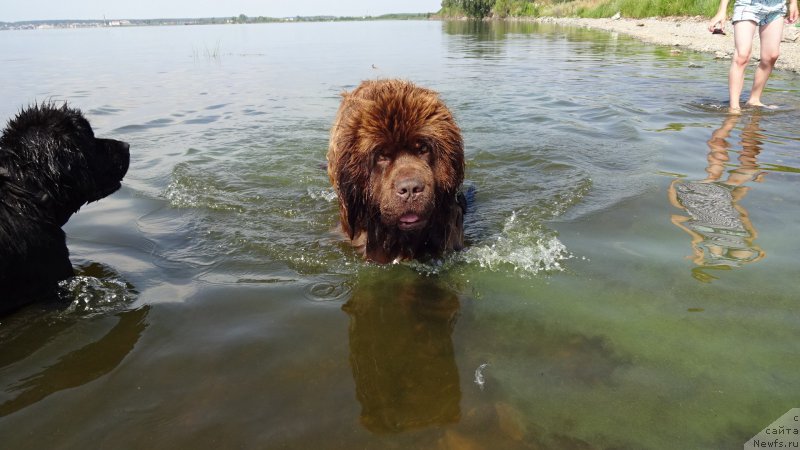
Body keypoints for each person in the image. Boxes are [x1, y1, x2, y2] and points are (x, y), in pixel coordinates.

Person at [668, 113, 767, 282]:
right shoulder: (705, 242)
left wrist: (752, 236)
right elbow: (676, 217)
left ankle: (746, 121)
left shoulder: (733, 252)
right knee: (718, 160)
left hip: (718, 200)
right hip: (702, 197)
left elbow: (742, 216)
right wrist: (672, 188)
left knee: (743, 162)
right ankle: (737, 120)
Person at [708, 0, 799, 112]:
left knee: (771, 56)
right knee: (742, 56)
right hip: (747, 5)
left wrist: (793, 3)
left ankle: (754, 100)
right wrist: (722, 10)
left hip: (776, 7)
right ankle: (734, 107)